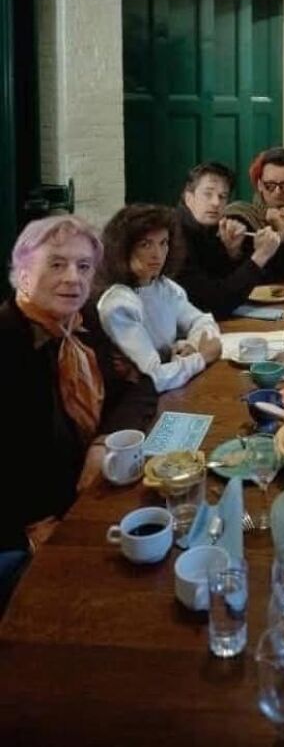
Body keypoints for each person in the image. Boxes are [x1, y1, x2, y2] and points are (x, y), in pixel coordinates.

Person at [0, 216, 157, 612]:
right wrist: (38, 528)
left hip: (88, 497)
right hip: (25, 527)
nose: (73, 278)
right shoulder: (8, 340)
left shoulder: (82, 325)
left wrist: (103, 443)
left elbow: (140, 386)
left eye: (84, 266)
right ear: (22, 273)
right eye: (56, 264)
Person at [97, 204, 222, 394]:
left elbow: (202, 320)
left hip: (176, 390)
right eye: (146, 244)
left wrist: (191, 345)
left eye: (163, 243)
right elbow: (153, 377)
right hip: (136, 402)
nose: (157, 254)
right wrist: (201, 357)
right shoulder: (118, 304)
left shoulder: (165, 287)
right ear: (123, 248)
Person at [174, 161, 282, 319]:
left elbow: (231, 286)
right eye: (208, 194)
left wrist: (233, 253)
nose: (216, 202)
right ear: (189, 198)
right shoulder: (175, 236)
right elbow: (216, 302)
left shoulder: (210, 227)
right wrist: (261, 256)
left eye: (222, 196)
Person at [223, 147, 284, 281]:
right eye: (269, 185)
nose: (277, 192)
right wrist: (279, 237)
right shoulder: (241, 216)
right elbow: (258, 275)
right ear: (259, 184)